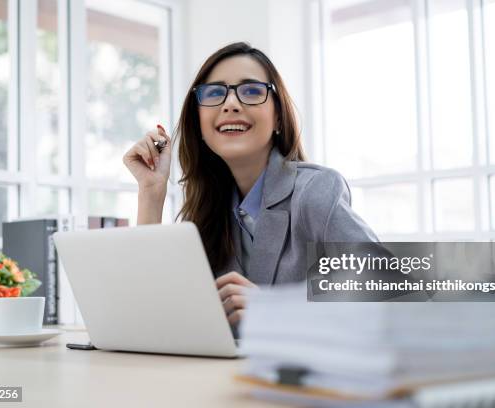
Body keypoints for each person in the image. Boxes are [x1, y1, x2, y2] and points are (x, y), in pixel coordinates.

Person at [123, 42, 378, 326]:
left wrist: (275, 308)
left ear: (278, 117)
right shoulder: (207, 215)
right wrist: (150, 192)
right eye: (215, 93)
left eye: (252, 91)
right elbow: (149, 316)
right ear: (199, 124)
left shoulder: (315, 191)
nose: (230, 104)